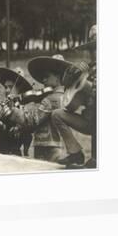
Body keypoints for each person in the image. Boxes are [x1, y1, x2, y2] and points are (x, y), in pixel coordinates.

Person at [52, 24, 97, 168]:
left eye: (96, 48)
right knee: (57, 114)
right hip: (89, 120)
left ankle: (97, 158)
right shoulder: (88, 68)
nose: (93, 53)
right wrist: (72, 73)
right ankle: (76, 154)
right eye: (91, 49)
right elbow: (65, 86)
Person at [21, 54, 72, 162]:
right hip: (58, 145)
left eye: (47, 76)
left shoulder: (50, 99)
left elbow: (33, 121)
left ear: (58, 77)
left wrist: (14, 112)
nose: (43, 80)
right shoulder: (64, 97)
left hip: (46, 147)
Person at [0, 67, 33, 156]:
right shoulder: (5, 107)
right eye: (5, 87)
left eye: (10, 87)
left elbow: (28, 135)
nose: (6, 90)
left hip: (13, 154)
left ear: (19, 89)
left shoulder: (23, 109)